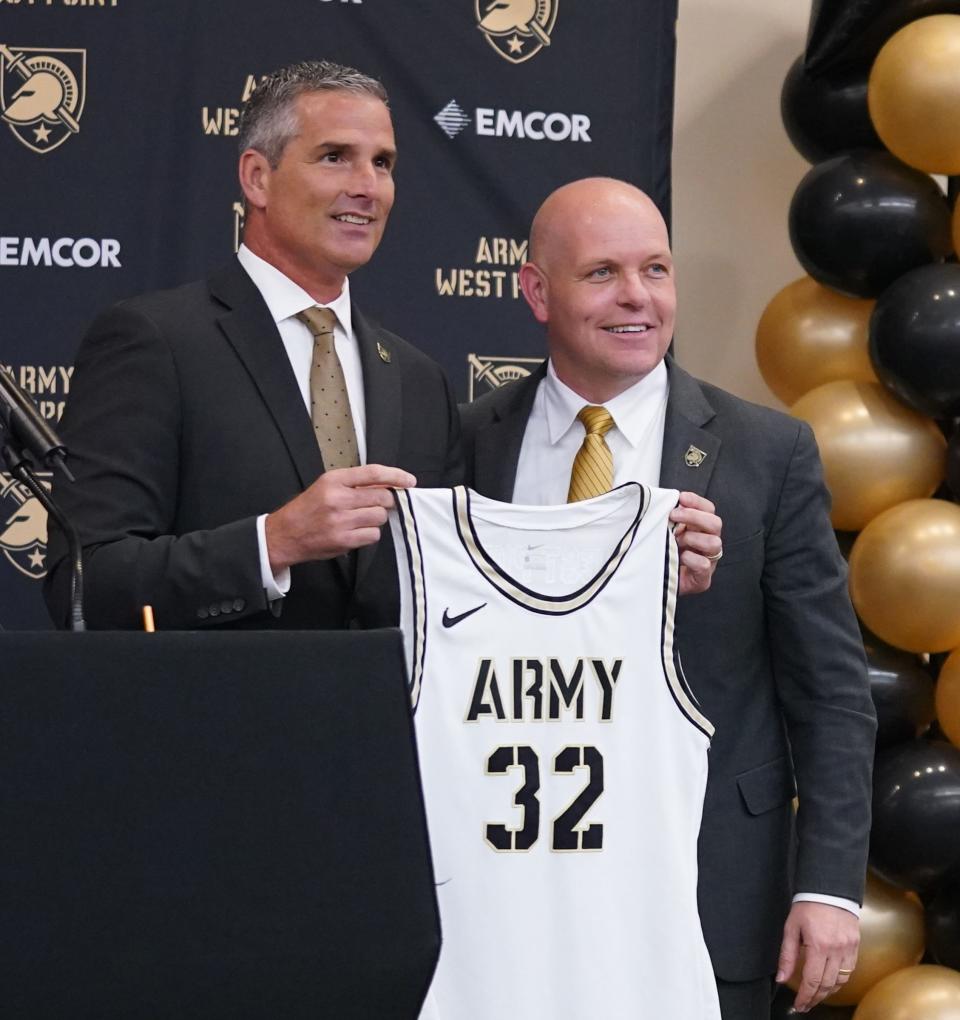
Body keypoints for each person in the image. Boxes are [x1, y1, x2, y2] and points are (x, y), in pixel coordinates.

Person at [459, 177, 877, 1018]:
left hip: (707, 889)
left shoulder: (769, 454)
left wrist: (830, 887)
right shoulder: (467, 444)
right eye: (602, 273)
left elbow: (831, 693)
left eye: (656, 269)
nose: (637, 297)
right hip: (505, 895)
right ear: (537, 291)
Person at [44, 60, 462, 630]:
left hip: (381, 716)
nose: (366, 187)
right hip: (220, 713)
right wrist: (272, 543)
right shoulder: (155, 341)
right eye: (335, 156)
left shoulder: (419, 380)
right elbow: (86, 581)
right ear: (257, 178)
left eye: (382, 163)